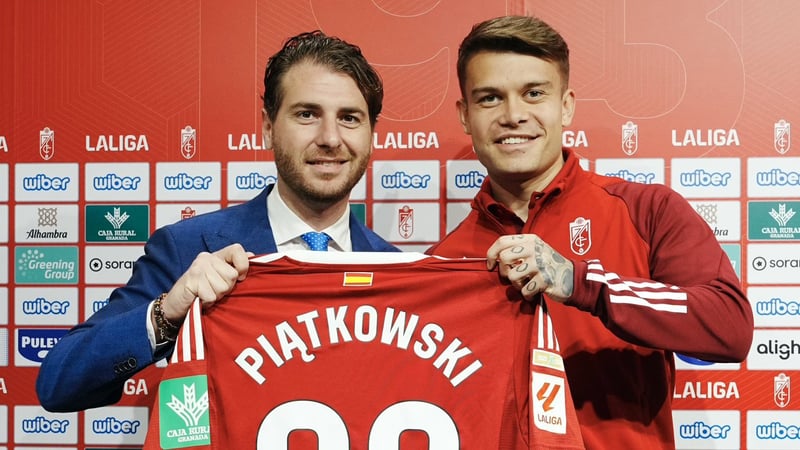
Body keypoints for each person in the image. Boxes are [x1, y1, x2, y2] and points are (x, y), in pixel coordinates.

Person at [427, 15, 753, 449]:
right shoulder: (441, 262)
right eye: (490, 98)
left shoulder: (647, 211)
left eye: (534, 93)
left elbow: (729, 327)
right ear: (465, 116)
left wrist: (582, 283)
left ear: (566, 107)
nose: (513, 116)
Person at [37, 30, 398, 412]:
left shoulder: (396, 271)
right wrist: (167, 312)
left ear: (372, 135)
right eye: (306, 114)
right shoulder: (189, 248)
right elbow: (59, 384)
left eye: (349, 118)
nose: (330, 138)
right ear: (268, 128)